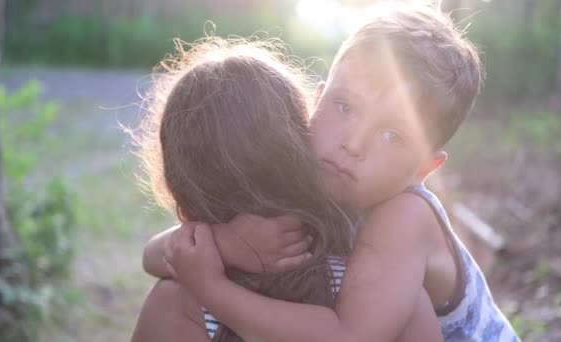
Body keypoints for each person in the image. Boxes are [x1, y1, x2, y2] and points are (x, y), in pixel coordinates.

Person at [162, 3, 519, 341]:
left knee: (412, 309)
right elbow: (171, 248)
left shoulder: (406, 217)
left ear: (424, 168)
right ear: (318, 100)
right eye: (345, 107)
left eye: (392, 135)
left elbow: (348, 335)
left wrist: (212, 288)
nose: (354, 144)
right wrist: (224, 244)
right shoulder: (327, 174)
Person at [131, 36, 442, 342]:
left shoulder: (178, 304)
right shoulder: (394, 304)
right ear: (300, 141)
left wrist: (217, 259)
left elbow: (165, 254)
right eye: (346, 108)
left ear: (182, 196)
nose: (352, 145)